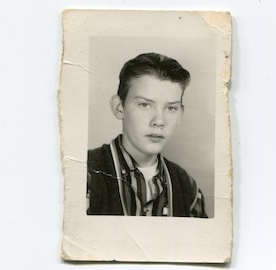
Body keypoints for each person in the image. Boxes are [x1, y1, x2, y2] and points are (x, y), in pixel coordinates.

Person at [86, 52, 208, 217]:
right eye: (145, 105)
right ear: (119, 107)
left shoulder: (188, 188)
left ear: (180, 114)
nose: (159, 121)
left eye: (171, 108)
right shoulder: (85, 174)